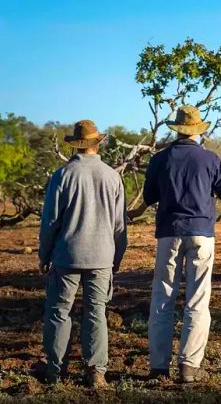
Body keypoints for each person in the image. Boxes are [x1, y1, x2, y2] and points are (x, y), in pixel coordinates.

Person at [143, 105, 221, 383]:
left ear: (177, 129)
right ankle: (189, 366)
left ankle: (159, 366)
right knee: (197, 300)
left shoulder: (160, 159)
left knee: (162, 298)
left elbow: (149, 196)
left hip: (169, 233)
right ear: (197, 131)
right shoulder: (210, 159)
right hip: (201, 233)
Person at [39, 120, 127, 387]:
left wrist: (44, 254)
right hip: (102, 257)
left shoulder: (63, 175)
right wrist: (117, 259)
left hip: (66, 255)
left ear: (76, 144)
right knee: (96, 312)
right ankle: (96, 371)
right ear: (97, 142)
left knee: (59, 312)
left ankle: (55, 371)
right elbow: (119, 226)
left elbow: (50, 222)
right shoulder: (112, 176)